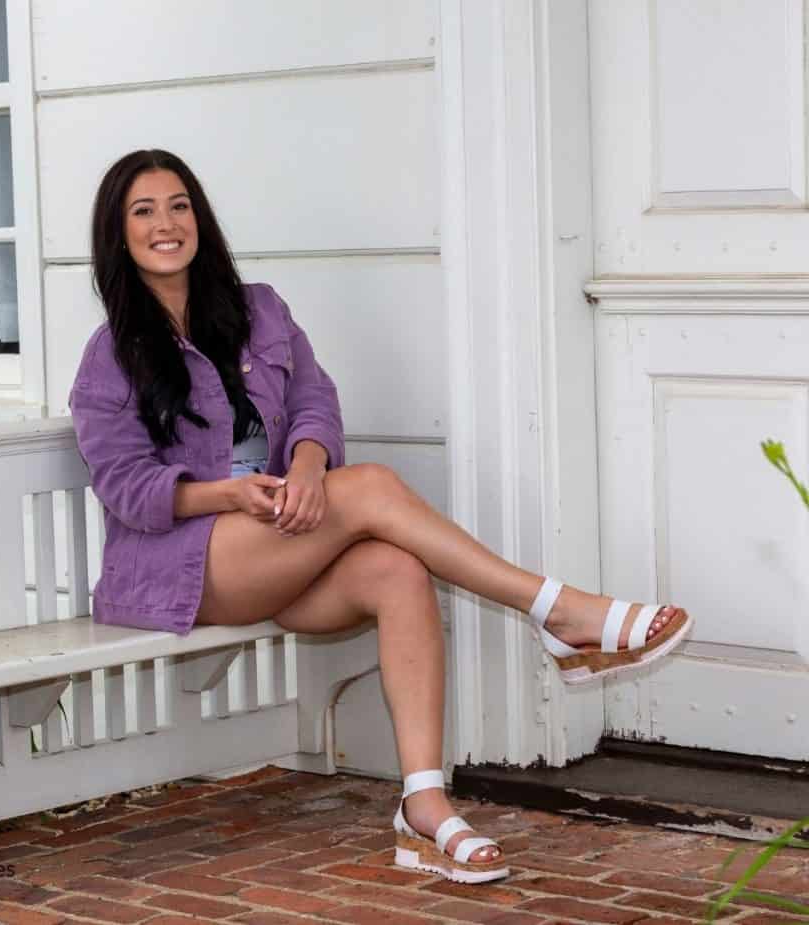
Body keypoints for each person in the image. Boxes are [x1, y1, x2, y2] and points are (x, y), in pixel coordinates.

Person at [69, 149, 693, 885]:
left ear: (199, 216)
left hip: (275, 547)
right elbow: (128, 487)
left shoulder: (258, 309)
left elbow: (313, 399)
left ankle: (423, 805)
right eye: (144, 211)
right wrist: (229, 495)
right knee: (368, 489)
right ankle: (557, 609)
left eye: (179, 205)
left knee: (397, 570)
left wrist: (306, 462)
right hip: (182, 566)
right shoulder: (111, 354)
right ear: (119, 234)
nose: (167, 224)